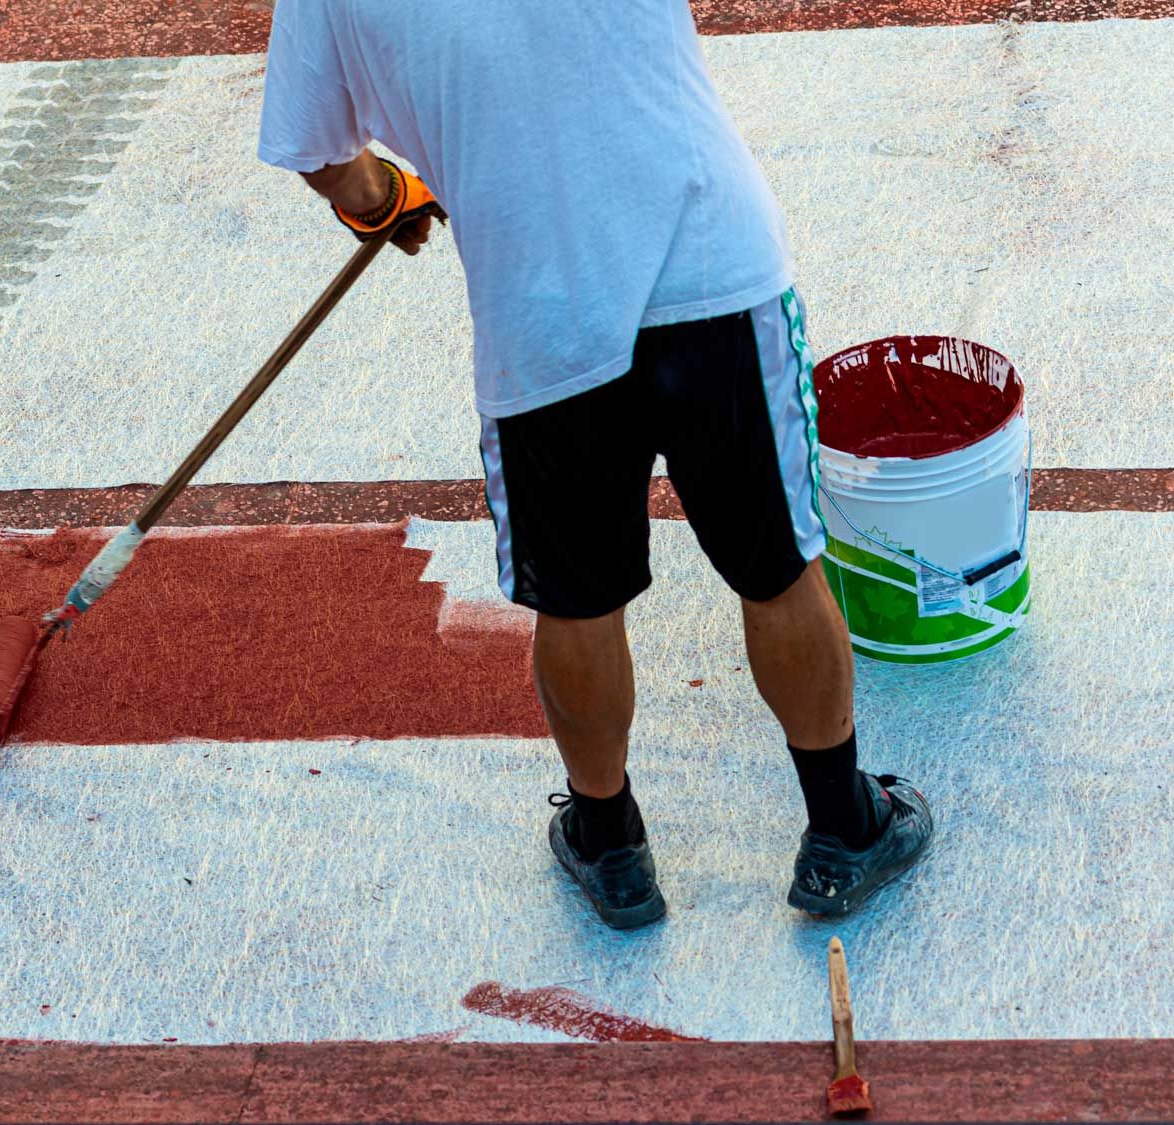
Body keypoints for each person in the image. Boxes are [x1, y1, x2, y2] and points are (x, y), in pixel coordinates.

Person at [256, 0, 934, 929]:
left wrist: (386, 197)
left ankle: (611, 845)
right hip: (713, 270)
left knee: (576, 601)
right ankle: (844, 825)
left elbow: (323, 153)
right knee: (778, 568)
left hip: (541, 319)